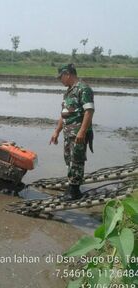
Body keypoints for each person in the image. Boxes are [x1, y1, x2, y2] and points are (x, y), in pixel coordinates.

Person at [49, 64, 94, 201]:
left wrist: (82, 131)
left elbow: (89, 111)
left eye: (61, 77)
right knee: (69, 160)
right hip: (68, 133)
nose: (60, 80)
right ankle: (71, 186)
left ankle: (75, 191)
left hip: (78, 133)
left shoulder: (83, 89)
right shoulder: (68, 91)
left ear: (68, 74)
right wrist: (56, 131)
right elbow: (64, 113)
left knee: (77, 160)